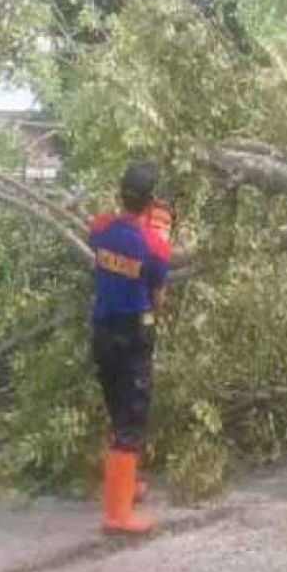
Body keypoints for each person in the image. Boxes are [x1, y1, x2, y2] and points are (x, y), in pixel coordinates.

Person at [89, 161, 172, 534]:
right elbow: (159, 297)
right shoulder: (154, 245)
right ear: (152, 201)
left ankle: (127, 486)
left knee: (117, 409)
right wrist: (160, 234)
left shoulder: (100, 228)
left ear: (120, 193)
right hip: (133, 334)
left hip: (103, 330)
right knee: (131, 417)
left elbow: (107, 243)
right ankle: (117, 516)